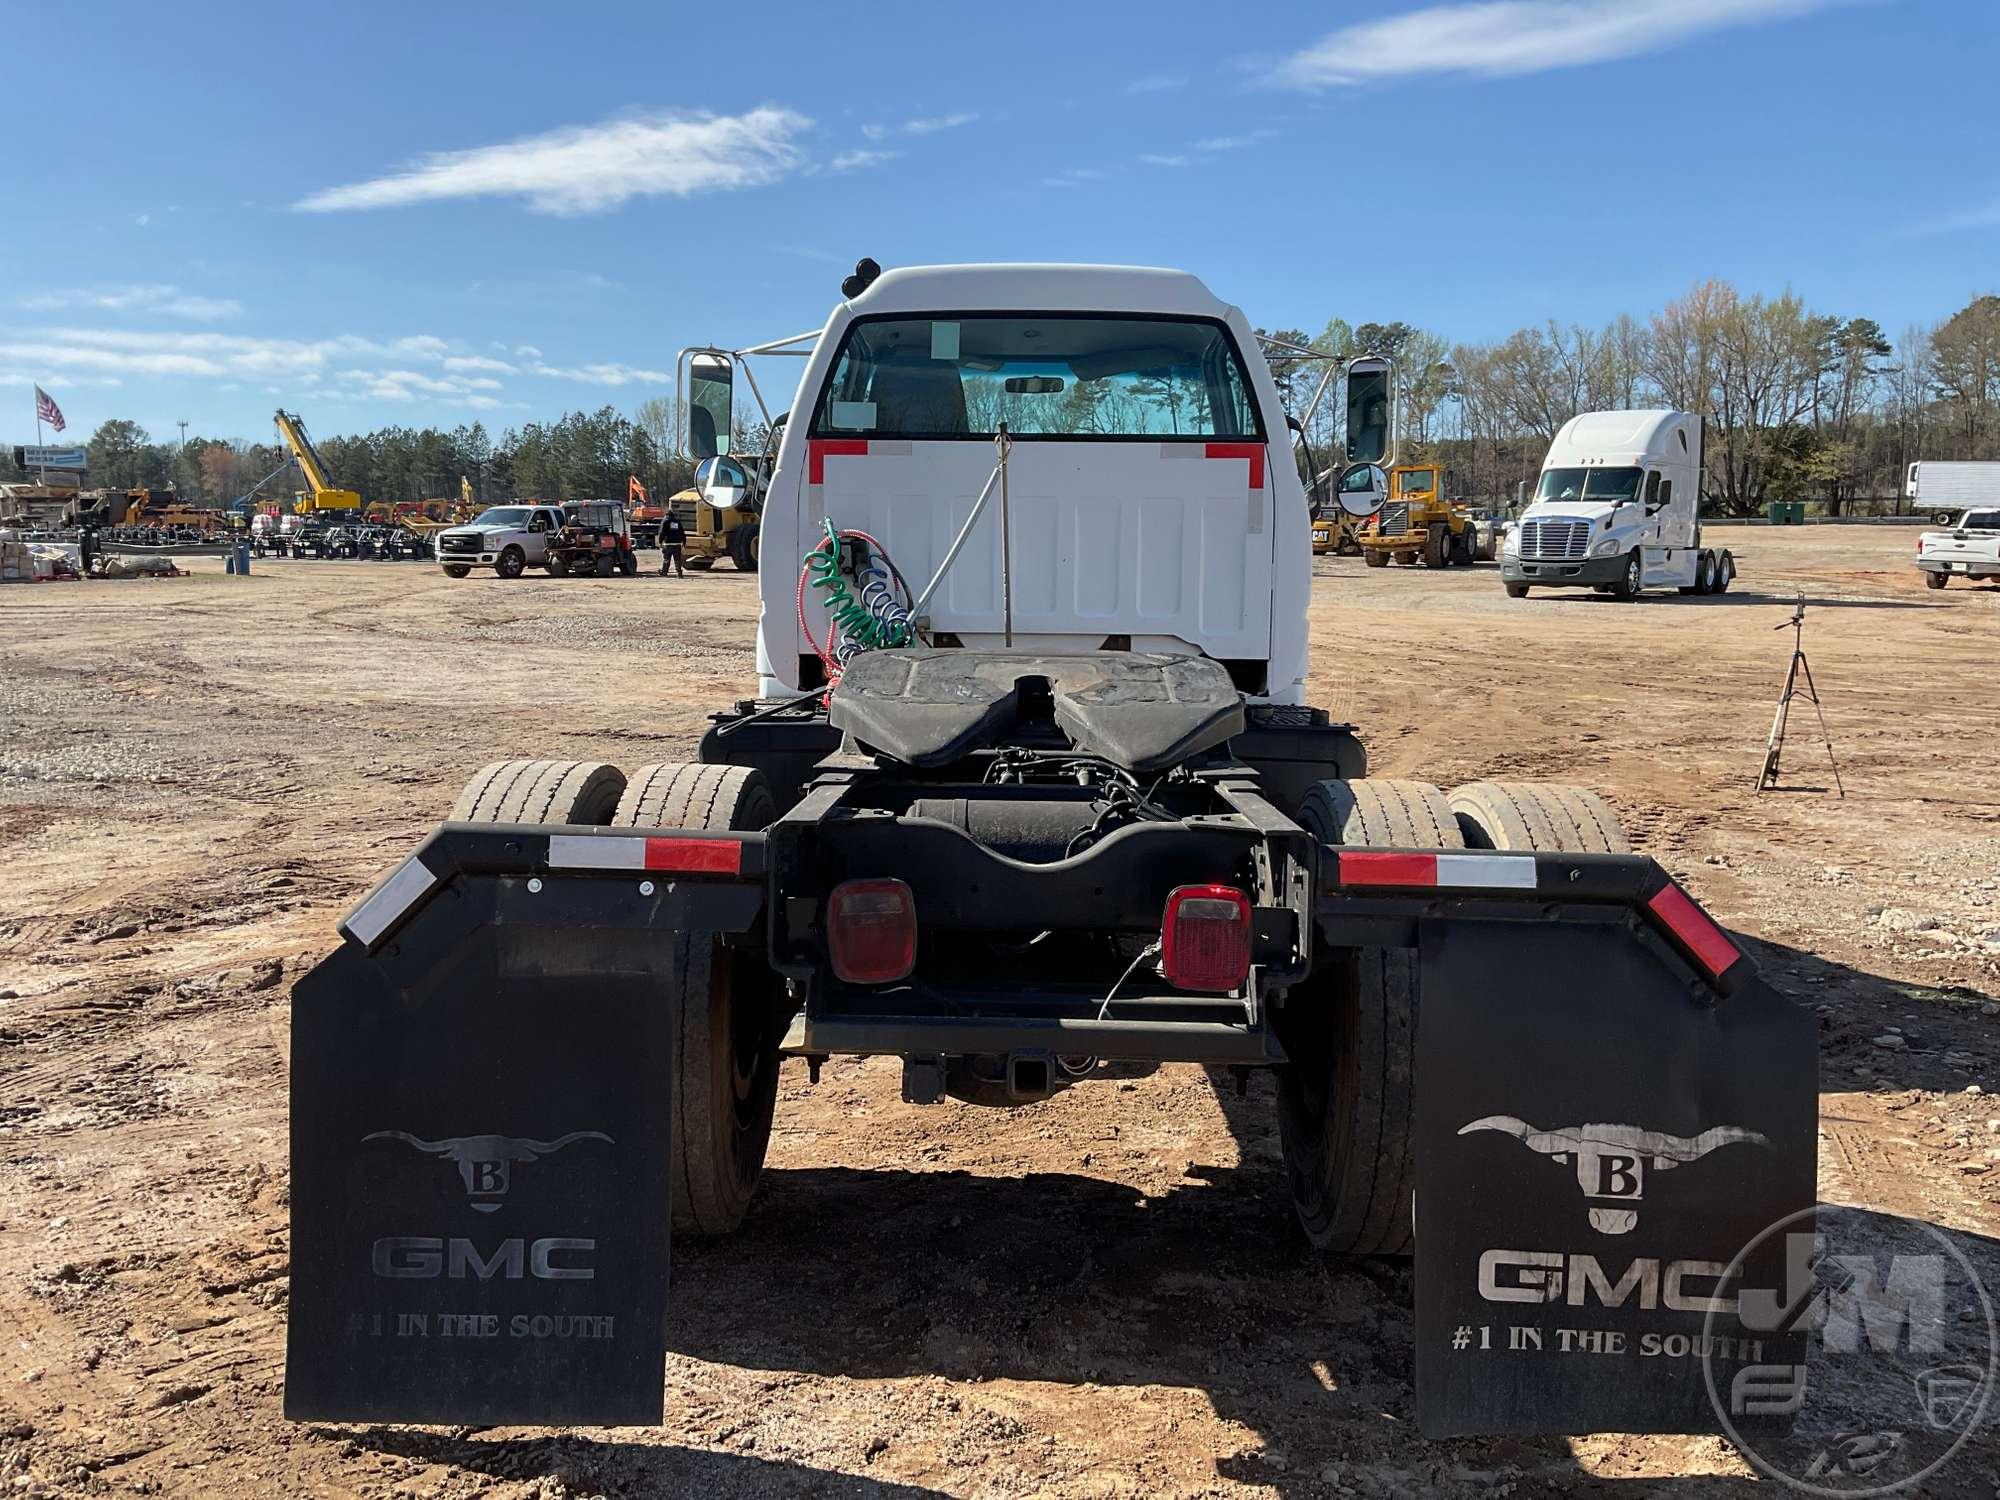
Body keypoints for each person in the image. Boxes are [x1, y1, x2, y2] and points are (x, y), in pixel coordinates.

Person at [659, 510, 686, 577]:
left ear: (667, 515)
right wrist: (684, 543)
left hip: (668, 544)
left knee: (666, 559)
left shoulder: (665, 522)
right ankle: (679, 573)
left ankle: (664, 573)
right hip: (677, 544)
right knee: (677, 559)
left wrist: (660, 542)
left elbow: (662, 533)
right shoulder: (678, 522)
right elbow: (682, 533)